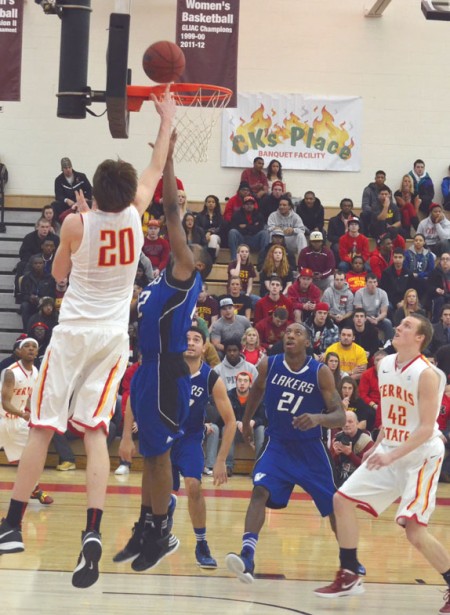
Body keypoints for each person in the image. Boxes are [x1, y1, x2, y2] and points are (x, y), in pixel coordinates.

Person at [0, 87, 177, 589]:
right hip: (113, 338)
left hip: (74, 332)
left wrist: (74, 225)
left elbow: (58, 276)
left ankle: (12, 525)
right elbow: (154, 168)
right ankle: (93, 532)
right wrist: (165, 121)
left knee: (43, 427)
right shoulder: (136, 213)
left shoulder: (76, 222)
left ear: (91, 191)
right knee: (96, 431)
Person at [115, 129, 214, 576]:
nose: (180, 241)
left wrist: (168, 158)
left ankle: (163, 530)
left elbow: (172, 208)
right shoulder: (159, 279)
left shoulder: (183, 272)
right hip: (145, 367)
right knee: (146, 454)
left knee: (158, 457)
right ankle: (145, 526)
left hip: (166, 370)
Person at [315, 314, 450, 615]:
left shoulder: (428, 375)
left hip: (422, 454)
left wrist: (391, 455)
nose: (398, 327)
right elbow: (391, 416)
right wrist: (378, 445)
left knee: (414, 531)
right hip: (390, 447)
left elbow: (427, 428)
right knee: (342, 500)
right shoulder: (385, 365)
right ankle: (349, 573)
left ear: (419, 339)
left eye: (406, 327)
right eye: (399, 324)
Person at [225, 322, 346, 583]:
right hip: (277, 443)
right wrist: (245, 422)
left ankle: (348, 563)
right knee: (259, 491)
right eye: (288, 332)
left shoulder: (320, 372)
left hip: (310, 448)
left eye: (298, 332)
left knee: (334, 505)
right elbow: (256, 391)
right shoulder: (270, 364)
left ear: (308, 342)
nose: (290, 335)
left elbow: (340, 416)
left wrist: (317, 418)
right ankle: (247, 556)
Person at [167, 328, 236, 567]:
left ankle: (201, 542)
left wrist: (220, 460)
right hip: (165, 438)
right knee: (162, 493)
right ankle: (161, 523)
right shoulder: (167, 369)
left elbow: (230, 422)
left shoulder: (210, 378)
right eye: (186, 338)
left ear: (205, 346)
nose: (191, 343)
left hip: (190, 439)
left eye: (197, 339)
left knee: (194, 487)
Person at [0, 338, 53, 505]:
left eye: (34, 347)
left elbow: (29, 397)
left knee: (32, 456)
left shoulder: (36, 372)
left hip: (18, 423)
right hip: (2, 419)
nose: (31, 349)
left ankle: (34, 489)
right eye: (27, 346)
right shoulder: (11, 372)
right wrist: (23, 414)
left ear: (37, 352)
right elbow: (5, 403)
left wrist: (33, 413)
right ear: (19, 352)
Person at [225, 371, 266, 477]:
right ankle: (228, 466)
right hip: (236, 430)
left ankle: (258, 466)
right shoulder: (229, 395)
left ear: (250, 383)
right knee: (227, 427)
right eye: (240, 381)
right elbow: (223, 416)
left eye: (245, 381)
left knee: (261, 429)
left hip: (252, 430)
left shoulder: (257, 396)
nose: (242, 383)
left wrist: (254, 421)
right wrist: (237, 422)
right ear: (236, 382)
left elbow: (264, 417)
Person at [331, 411, 374, 487]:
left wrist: (350, 454)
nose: (346, 424)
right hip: (340, 475)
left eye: (350, 422)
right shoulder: (336, 438)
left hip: (360, 478)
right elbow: (330, 465)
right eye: (344, 421)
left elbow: (368, 468)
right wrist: (335, 454)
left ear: (357, 423)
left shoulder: (366, 441)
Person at [354, 273, 394, 342]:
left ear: (377, 283)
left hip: (377, 317)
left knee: (388, 323)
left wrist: (377, 319)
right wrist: (369, 319)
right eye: (370, 282)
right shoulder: (359, 293)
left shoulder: (383, 293)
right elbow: (359, 311)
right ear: (366, 283)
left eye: (374, 282)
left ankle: (389, 344)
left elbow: (384, 313)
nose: (372, 284)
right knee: (360, 321)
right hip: (364, 317)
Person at [228, 196, 269, 261]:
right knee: (232, 232)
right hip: (241, 239)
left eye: (251, 204)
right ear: (243, 205)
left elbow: (260, 229)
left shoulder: (259, 215)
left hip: (254, 239)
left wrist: (246, 226)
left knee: (265, 233)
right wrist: (252, 227)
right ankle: (234, 259)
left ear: (254, 205)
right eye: (247, 204)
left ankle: (262, 260)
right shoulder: (236, 215)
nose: (249, 206)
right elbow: (234, 227)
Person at [267, 195, 307, 260]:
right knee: (271, 234)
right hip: (278, 240)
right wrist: (275, 229)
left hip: (290, 240)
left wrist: (293, 230)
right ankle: (270, 260)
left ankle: (303, 260)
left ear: (289, 207)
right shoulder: (273, 215)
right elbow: (269, 228)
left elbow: (302, 229)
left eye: (284, 205)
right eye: (280, 205)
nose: (281, 207)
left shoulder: (295, 216)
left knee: (301, 236)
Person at [53, 157, 92, 222]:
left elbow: (89, 189)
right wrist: (66, 200)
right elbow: (58, 195)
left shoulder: (81, 176)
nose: (68, 170)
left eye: (69, 167)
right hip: (68, 204)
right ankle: (60, 224)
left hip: (82, 202)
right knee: (54, 205)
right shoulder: (58, 180)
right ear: (62, 169)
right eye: (65, 168)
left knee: (91, 203)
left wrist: (85, 199)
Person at [380, 248, 416, 315]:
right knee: (389, 307)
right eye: (395, 257)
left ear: (404, 258)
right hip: (390, 300)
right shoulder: (386, 273)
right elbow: (385, 291)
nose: (398, 259)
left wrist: (404, 301)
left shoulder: (409, 273)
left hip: (405, 299)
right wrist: (396, 302)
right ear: (392, 258)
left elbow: (411, 289)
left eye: (400, 257)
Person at [403, 232, 435, 298]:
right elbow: (405, 268)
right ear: (413, 242)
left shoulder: (429, 255)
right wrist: (412, 274)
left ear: (424, 242)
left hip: (423, 280)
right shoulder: (407, 253)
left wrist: (419, 275)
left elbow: (431, 271)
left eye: (420, 240)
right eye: (416, 240)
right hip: (410, 279)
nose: (418, 242)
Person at [361, 170, 390, 235]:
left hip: (384, 212)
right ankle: (365, 234)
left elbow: (391, 204)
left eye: (382, 177)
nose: (380, 179)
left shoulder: (387, 190)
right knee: (364, 214)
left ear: (385, 179)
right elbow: (365, 205)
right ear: (375, 178)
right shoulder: (368, 189)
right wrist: (375, 212)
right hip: (372, 213)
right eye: (378, 177)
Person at [195, 194, 223, 262]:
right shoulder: (200, 215)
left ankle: (209, 261)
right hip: (203, 236)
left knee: (213, 238)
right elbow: (197, 228)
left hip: (217, 236)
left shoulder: (219, 216)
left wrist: (210, 232)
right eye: (209, 202)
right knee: (217, 247)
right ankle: (212, 260)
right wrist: (206, 232)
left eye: (213, 202)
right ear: (206, 203)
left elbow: (220, 228)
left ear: (216, 204)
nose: (211, 203)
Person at [328, 198, 356, 262]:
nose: (347, 207)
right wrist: (343, 240)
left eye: (349, 206)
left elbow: (361, 234)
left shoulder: (357, 220)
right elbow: (330, 236)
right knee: (336, 247)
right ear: (341, 207)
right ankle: (338, 267)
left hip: (354, 242)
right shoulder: (333, 220)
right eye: (345, 206)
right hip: (339, 242)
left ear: (352, 207)